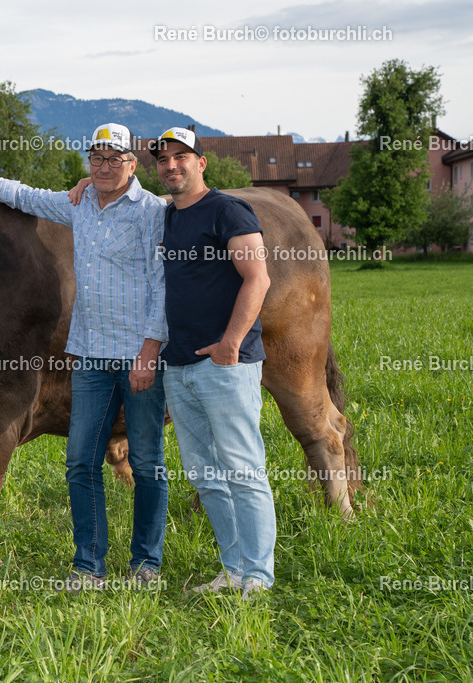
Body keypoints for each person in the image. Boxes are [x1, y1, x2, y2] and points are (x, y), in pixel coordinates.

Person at [0, 123, 168, 592]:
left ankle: (146, 564)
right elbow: (21, 195)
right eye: (97, 158)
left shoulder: (153, 212)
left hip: (137, 356)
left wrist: (150, 352)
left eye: (115, 158)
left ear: (133, 164)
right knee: (80, 464)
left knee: (149, 463)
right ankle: (89, 566)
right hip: (88, 359)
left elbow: (163, 285)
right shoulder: (80, 204)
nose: (105, 166)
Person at [148, 127, 276, 599]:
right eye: (163, 160)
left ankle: (258, 578)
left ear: (201, 163)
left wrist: (231, 343)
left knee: (243, 470)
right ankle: (235, 570)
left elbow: (258, 278)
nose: (171, 165)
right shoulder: (167, 216)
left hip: (225, 365)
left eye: (181, 157)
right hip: (179, 365)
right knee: (206, 476)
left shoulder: (227, 210)